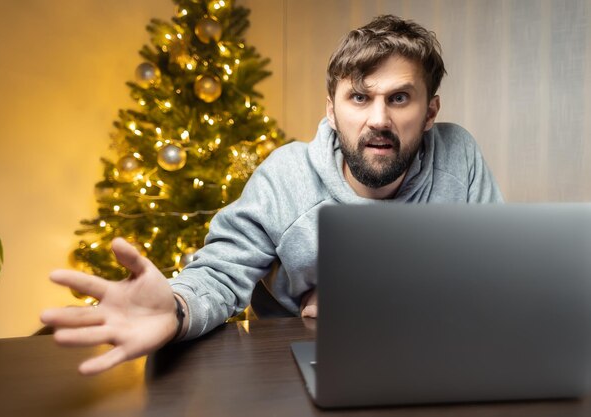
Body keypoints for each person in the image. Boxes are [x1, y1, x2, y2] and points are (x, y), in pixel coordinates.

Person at [40, 14, 503, 375]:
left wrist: (373, 300)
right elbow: (219, 276)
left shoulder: (457, 155)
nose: (378, 119)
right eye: (359, 98)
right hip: (289, 371)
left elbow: (497, 276)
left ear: (430, 111)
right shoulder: (286, 177)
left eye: (399, 98)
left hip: (431, 363)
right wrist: (177, 310)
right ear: (331, 110)